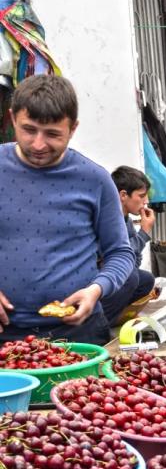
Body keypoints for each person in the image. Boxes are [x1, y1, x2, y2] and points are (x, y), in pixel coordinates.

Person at [0, 75, 134, 345]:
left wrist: (96, 289)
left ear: (73, 128)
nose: (38, 144)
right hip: (5, 334)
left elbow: (120, 253)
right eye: (29, 130)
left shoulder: (95, 180)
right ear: (12, 118)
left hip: (78, 334)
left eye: (52, 134)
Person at [100, 167, 157, 326]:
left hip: (113, 274)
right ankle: (99, 323)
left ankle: (116, 318)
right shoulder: (107, 219)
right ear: (123, 195)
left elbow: (134, 259)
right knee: (131, 278)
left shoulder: (127, 220)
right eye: (141, 196)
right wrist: (144, 232)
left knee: (146, 279)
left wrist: (141, 236)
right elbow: (118, 253)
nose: (146, 202)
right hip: (97, 276)